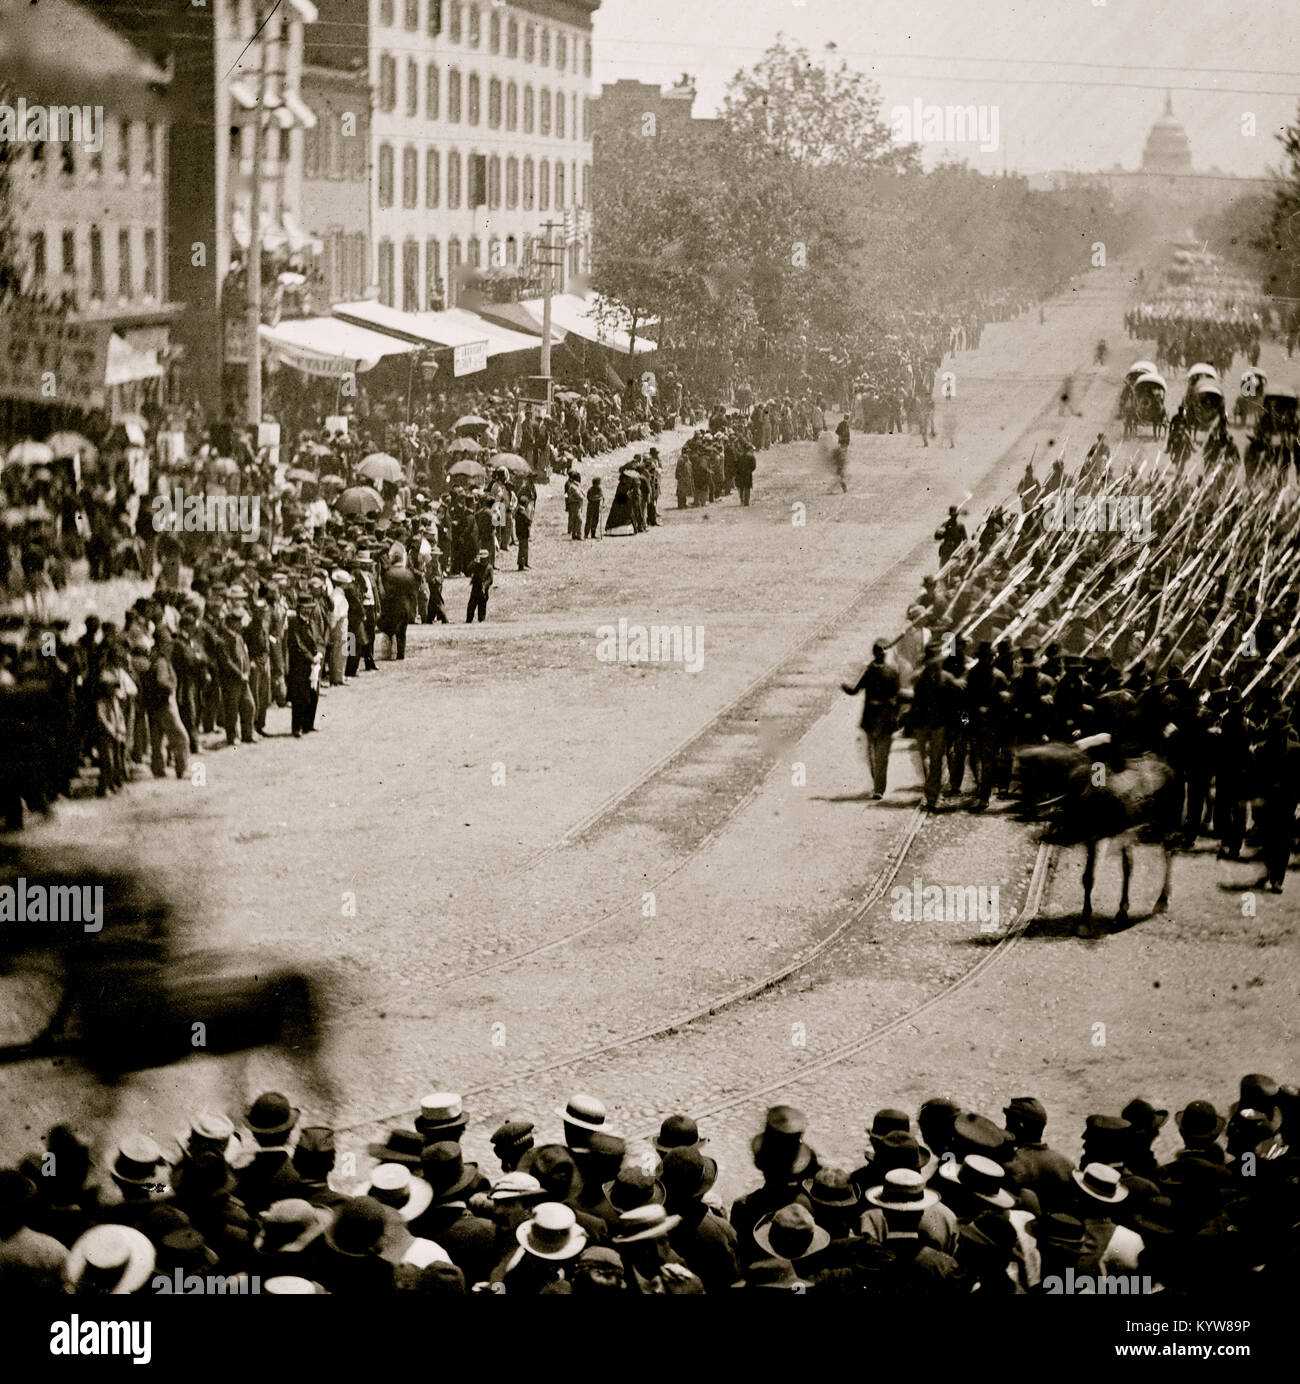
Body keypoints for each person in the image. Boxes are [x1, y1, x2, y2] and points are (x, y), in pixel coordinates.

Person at [842, 641, 900, 798]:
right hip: (874, 718)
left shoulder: (889, 671)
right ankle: (878, 786)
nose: (881, 654)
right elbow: (855, 689)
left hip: (881, 718)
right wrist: (845, 686)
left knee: (880, 755)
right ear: (875, 653)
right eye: (879, 651)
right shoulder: (872, 671)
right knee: (874, 755)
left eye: (883, 651)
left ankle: (879, 789)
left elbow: (897, 696)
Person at [467, 549, 493, 623]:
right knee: (471, 606)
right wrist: (473, 563)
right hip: (475, 588)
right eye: (482, 559)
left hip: (483, 590)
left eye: (485, 559)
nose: (483, 561)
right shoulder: (476, 566)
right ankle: (469, 620)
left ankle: (481, 620)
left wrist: (484, 586)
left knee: (482, 607)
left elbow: (490, 580)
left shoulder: (489, 568)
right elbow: (468, 571)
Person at [565, 471, 584, 540]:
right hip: (573, 503)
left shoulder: (574, 485)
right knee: (578, 519)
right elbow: (566, 495)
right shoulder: (570, 485)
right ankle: (576, 534)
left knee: (575, 519)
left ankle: (574, 533)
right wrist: (566, 503)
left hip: (575, 503)